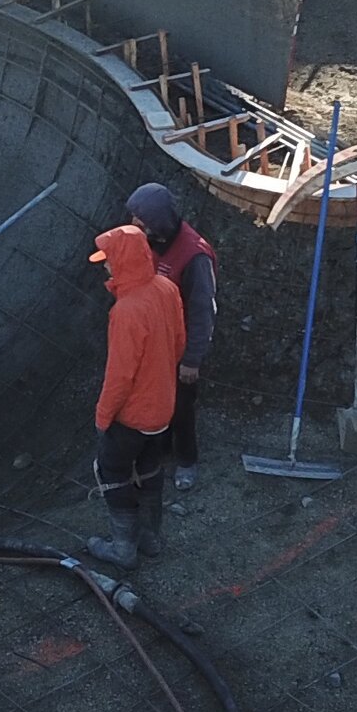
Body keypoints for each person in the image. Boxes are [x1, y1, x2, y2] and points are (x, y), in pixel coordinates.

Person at [86, 221, 185, 568]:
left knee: (112, 471)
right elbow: (178, 344)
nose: (108, 266)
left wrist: (102, 416)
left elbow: (120, 376)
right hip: (163, 408)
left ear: (124, 261)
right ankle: (150, 538)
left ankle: (123, 550)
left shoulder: (126, 311)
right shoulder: (166, 288)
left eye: (110, 260)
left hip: (133, 416)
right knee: (150, 469)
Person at [126, 182, 215, 490]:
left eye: (142, 219)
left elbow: (203, 312)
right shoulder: (150, 239)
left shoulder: (194, 257)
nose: (135, 224)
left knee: (181, 406)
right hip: (154, 343)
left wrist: (191, 360)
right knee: (155, 400)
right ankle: (160, 450)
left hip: (179, 346)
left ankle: (187, 460)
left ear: (159, 221)